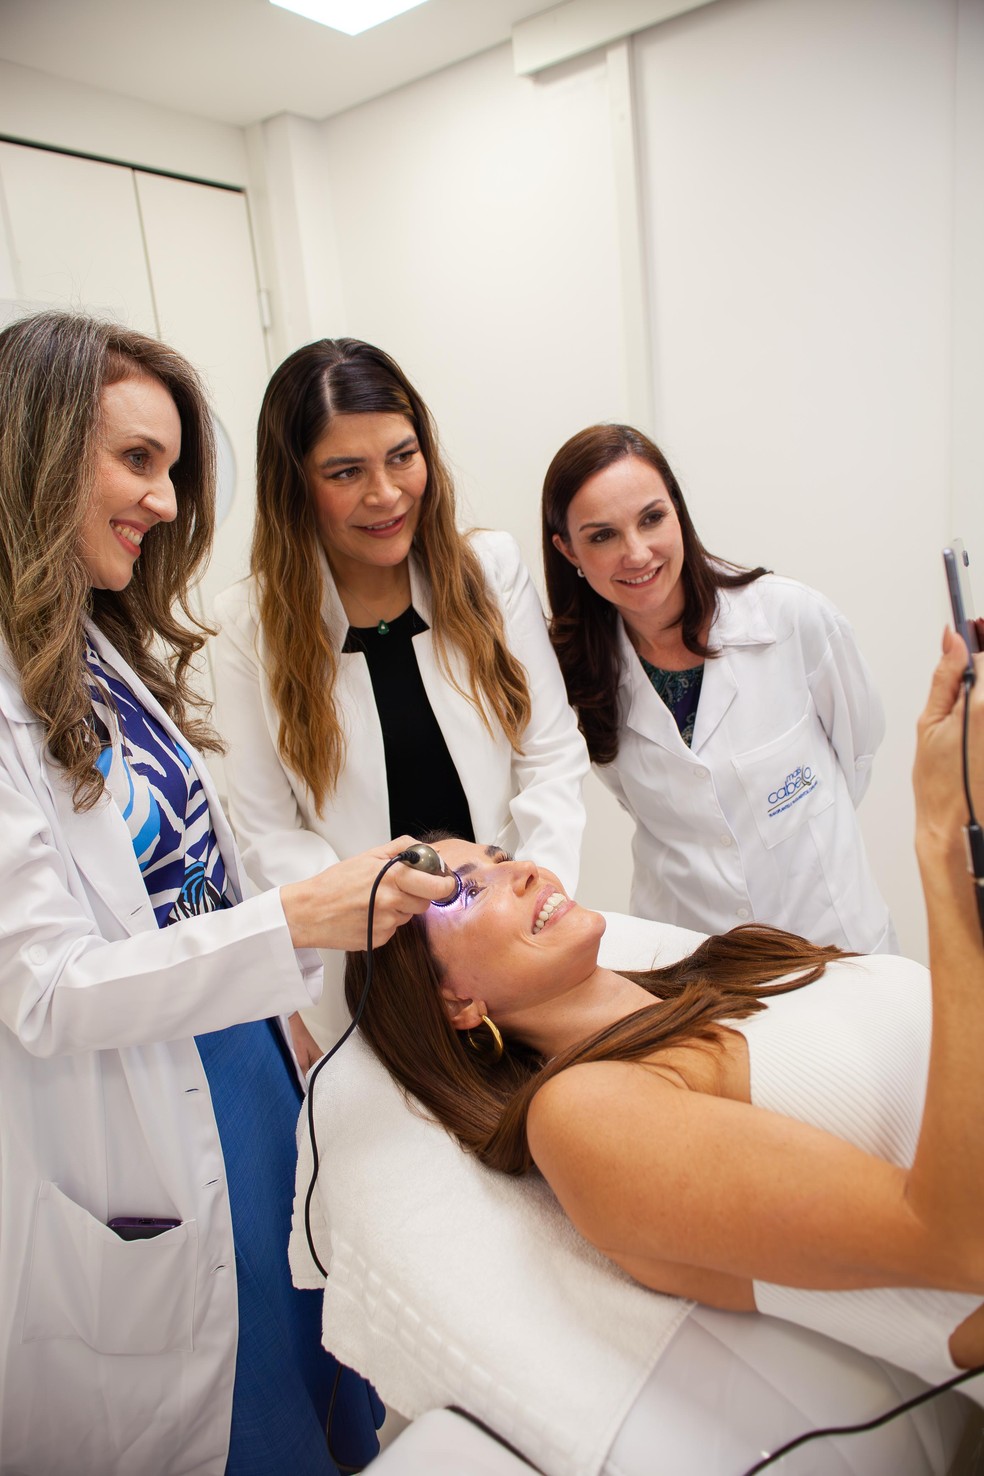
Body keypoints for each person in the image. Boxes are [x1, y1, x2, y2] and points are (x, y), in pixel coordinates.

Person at [0, 311, 457, 1476]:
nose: (163, 502)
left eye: (170, 468)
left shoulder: (93, 645)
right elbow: (44, 992)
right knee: (246, 1413)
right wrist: (297, 922)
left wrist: (286, 1006)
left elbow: (202, 862)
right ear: (38, 451)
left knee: (324, 1371)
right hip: (147, 1117)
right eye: (137, 461)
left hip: (247, 1064)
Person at [342, 625, 984, 1401]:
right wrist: (945, 845)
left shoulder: (735, 969)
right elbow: (957, 1239)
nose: (522, 872)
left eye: (504, 856)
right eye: (470, 892)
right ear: (454, 1003)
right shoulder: (583, 1116)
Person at [212, 337, 588, 1047]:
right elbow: (265, 830)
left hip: (517, 949)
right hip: (372, 979)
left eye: (401, 456)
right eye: (346, 471)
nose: (385, 494)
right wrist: (379, 914)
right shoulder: (247, 626)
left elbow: (549, 752)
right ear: (296, 484)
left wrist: (540, 892)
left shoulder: (488, 569)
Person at [541, 423, 895, 953]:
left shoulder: (787, 617)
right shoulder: (573, 671)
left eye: (652, 519)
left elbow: (859, 752)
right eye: (602, 535)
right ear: (568, 550)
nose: (636, 554)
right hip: (694, 958)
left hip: (831, 936)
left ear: (677, 513)